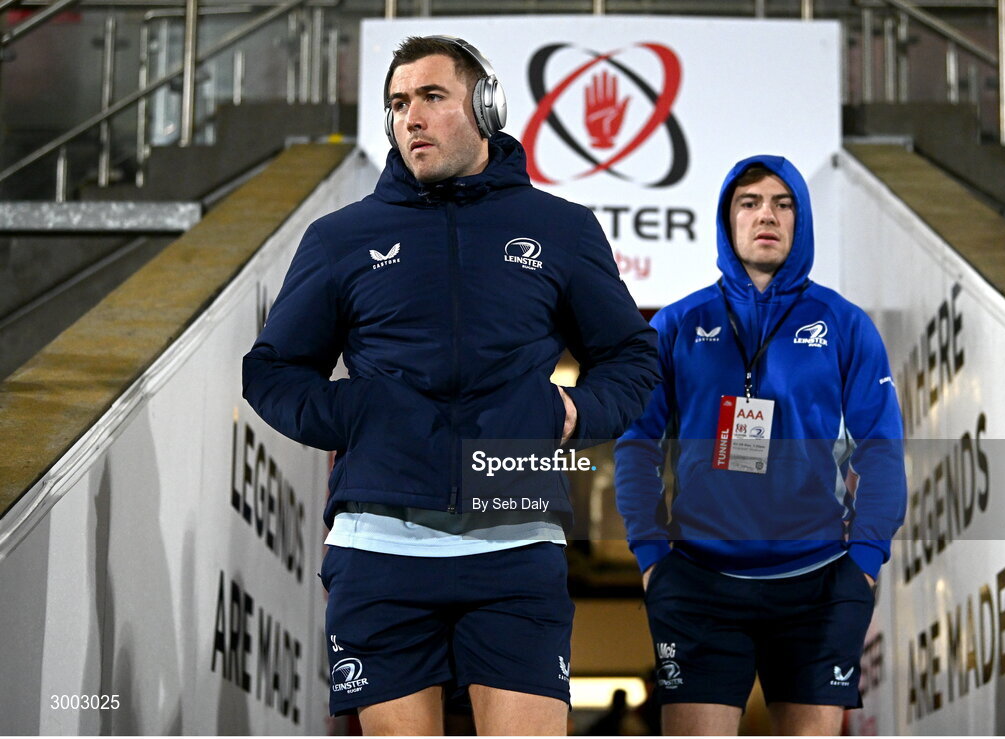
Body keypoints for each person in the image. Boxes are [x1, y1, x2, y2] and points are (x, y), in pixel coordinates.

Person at [243, 35, 659, 735]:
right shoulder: (340, 237)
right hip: (379, 546)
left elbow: (631, 356)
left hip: (515, 533)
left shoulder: (561, 229)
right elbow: (271, 369)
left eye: (432, 97)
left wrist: (572, 411)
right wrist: (357, 412)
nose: (411, 117)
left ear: (485, 108)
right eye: (398, 103)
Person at [613, 155, 906, 735]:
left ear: (801, 220)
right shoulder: (676, 324)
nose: (766, 215)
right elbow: (636, 444)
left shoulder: (844, 324)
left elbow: (882, 449)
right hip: (697, 579)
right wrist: (651, 556)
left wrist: (865, 562)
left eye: (782, 203)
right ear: (728, 221)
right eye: (749, 203)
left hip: (819, 580)